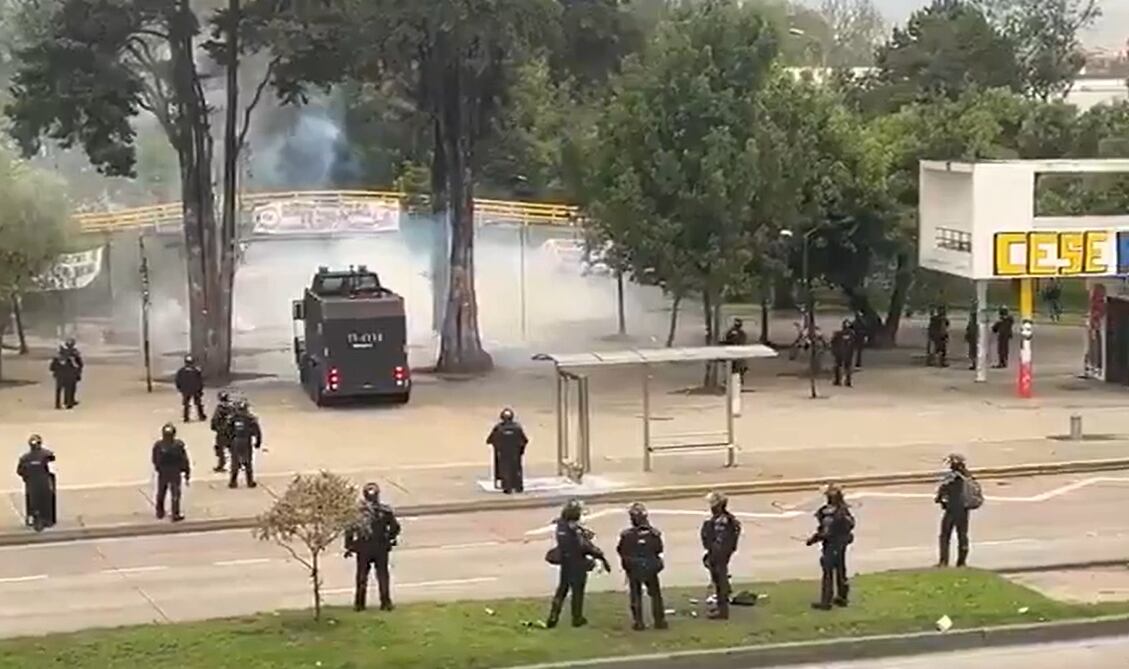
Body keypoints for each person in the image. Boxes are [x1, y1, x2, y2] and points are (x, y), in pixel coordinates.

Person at [546, 499, 611, 629]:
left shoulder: (562, 526)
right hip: (577, 564)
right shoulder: (574, 532)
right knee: (577, 592)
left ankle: (553, 617)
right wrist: (599, 555)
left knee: (562, 590)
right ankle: (577, 618)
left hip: (566, 563)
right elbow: (586, 547)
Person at [345, 482, 401, 612]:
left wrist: (350, 545)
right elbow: (395, 528)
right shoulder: (385, 511)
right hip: (380, 547)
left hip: (364, 548)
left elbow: (349, 530)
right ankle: (385, 603)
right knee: (382, 576)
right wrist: (389, 538)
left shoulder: (358, 513)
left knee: (362, 577)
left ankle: (360, 604)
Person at [617, 502, 667, 631]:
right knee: (655, 594)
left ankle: (638, 622)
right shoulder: (654, 534)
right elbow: (659, 549)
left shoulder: (627, 535)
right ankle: (659, 621)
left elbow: (621, 550)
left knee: (636, 594)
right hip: (650, 567)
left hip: (634, 568)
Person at [806, 484, 855, 610]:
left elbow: (826, 532)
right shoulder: (843, 510)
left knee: (828, 572)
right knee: (840, 571)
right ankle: (842, 598)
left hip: (832, 545)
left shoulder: (830, 513)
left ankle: (826, 602)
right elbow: (850, 525)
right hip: (841, 545)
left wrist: (813, 540)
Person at [700, 491, 741, 620]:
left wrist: (712, 553)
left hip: (719, 553)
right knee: (720, 579)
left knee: (719, 579)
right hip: (722, 552)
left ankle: (723, 610)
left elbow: (713, 540)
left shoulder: (720, 522)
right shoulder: (729, 519)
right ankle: (721, 606)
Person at [936, 453, 977, 567]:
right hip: (964, 509)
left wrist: (939, 499)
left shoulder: (952, 476)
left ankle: (944, 561)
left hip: (952, 509)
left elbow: (943, 489)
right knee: (962, 535)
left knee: (945, 535)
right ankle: (962, 561)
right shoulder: (968, 476)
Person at [151, 423, 190, 522]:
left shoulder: (158, 445)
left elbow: (154, 459)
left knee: (161, 491)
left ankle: (160, 511)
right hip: (175, 471)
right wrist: (187, 471)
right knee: (175, 493)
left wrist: (158, 468)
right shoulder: (178, 445)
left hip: (163, 471)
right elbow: (184, 459)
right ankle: (175, 513)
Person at [16, 434, 56, 531]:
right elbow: (52, 457)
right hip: (43, 482)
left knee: (31, 501)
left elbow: (19, 471)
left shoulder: (25, 457)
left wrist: (26, 476)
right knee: (46, 500)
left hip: (31, 483)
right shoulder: (45, 454)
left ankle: (32, 517)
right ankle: (47, 519)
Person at [486, 408, 528, 494]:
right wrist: (521, 449)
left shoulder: (498, 428)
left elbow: (489, 439)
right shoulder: (517, 427)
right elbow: (524, 440)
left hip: (503, 453)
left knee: (505, 469)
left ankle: (507, 486)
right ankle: (518, 486)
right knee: (516, 468)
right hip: (515, 452)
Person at [227, 399, 262, 488]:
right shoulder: (250, 418)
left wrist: (228, 443)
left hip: (235, 441)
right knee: (247, 462)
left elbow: (227, 431)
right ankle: (250, 482)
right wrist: (258, 442)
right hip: (246, 441)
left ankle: (233, 482)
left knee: (235, 462)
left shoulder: (232, 418)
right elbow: (257, 432)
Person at [174, 355, 206, 423]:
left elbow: (177, 381)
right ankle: (201, 416)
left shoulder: (181, 371)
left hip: (186, 390)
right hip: (195, 390)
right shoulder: (196, 371)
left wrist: (180, 389)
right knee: (198, 403)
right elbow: (200, 381)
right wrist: (200, 390)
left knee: (186, 404)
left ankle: (186, 417)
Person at [48, 345, 80, 410]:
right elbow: (75, 367)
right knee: (68, 390)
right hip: (68, 377)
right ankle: (68, 403)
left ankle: (57, 404)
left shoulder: (56, 360)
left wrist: (56, 371)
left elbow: (51, 368)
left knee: (58, 391)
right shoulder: (70, 360)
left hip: (59, 377)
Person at [210, 391, 233, 473]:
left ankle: (221, 465)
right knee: (232, 449)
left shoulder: (219, 408)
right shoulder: (232, 408)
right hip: (230, 432)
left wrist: (215, 428)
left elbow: (214, 420)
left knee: (220, 449)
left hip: (221, 432)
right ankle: (235, 465)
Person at [722, 318, 749, 382]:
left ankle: (737, 379)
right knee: (735, 366)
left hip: (736, 352)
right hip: (734, 352)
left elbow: (728, 340)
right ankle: (734, 379)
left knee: (736, 366)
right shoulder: (740, 333)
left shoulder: (739, 333)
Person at [830, 321, 855, 388]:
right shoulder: (851, 334)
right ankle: (847, 381)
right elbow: (853, 344)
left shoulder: (839, 334)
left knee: (839, 366)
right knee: (847, 366)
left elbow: (833, 342)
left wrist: (833, 351)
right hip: (847, 353)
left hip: (840, 353)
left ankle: (839, 380)